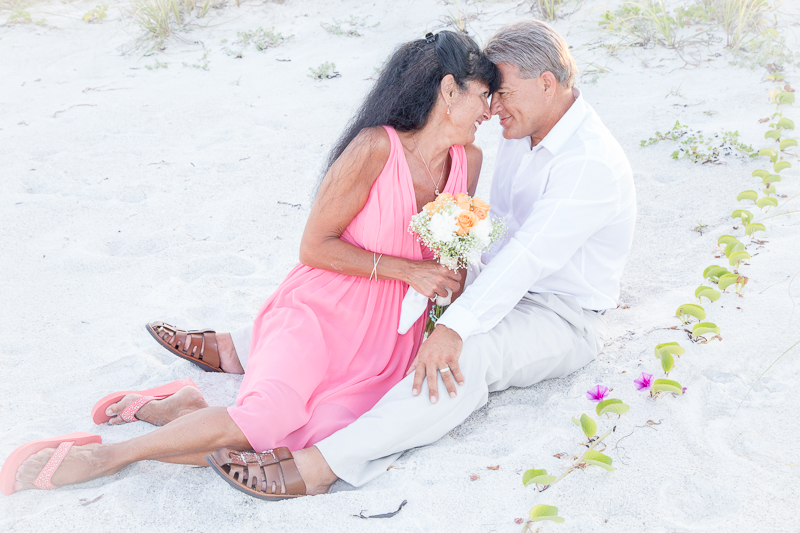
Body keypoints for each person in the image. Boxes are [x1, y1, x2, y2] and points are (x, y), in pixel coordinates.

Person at [0, 31, 500, 499]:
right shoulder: (375, 147)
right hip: (322, 312)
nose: (490, 108)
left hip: (388, 337)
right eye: (484, 94)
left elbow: (448, 252)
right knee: (267, 417)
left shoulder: (468, 162)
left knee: (306, 442)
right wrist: (407, 270)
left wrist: (446, 288)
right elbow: (314, 248)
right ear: (449, 89)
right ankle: (109, 457)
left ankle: (182, 409)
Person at [205, 18, 637, 497]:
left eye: (504, 92)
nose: (492, 108)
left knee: (466, 356)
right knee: (398, 276)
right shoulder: (525, 130)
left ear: (547, 83)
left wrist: (453, 328)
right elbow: (497, 242)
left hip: (558, 312)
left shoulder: (587, 163)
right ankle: (242, 346)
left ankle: (321, 465)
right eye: (488, 94)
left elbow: (528, 260)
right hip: (496, 278)